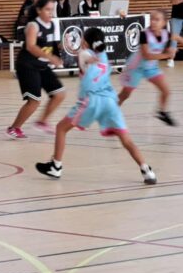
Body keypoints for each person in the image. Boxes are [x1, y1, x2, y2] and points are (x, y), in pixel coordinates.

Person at [36, 27, 157, 185]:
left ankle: (56, 166)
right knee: (126, 139)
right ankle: (147, 171)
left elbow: (84, 55)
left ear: (86, 42)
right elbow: (88, 55)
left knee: (61, 128)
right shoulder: (104, 55)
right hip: (110, 101)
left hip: (92, 100)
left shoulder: (84, 54)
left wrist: (76, 50)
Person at [7, 0, 65, 139]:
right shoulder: (33, 25)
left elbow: (50, 45)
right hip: (27, 65)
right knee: (34, 101)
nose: (50, 13)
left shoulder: (52, 25)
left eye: (52, 10)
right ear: (39, 10)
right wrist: (51, 58)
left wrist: (62, 48)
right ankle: (14, 128)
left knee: (59, 94)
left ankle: (42, 122)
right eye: (47, 9)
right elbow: (31, 46)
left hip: (42, 65)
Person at [118, 9, 183, 126]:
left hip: (151, 67)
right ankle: (111, 112)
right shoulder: (144, 34)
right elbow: (147, 56)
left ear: (164, 22)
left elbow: (180, 40)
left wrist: (181, 46)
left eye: (157, 19)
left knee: (166, 91)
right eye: (152, 19)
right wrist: (168, 55)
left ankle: (162, 112)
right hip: (136, 67)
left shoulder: (166, 34)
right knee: (125, 95)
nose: (153, 22)